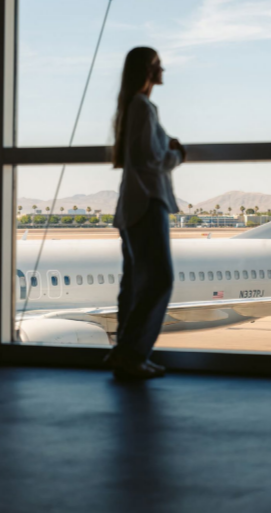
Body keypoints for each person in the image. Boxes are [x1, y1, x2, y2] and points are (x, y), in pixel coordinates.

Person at [106, 46, 185, 380]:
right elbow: (150, 159)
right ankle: (132, 354)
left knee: (135, 284)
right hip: (148, 202)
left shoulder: (131, 107)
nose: (163, 70)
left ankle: (127, 353)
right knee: (159, 280)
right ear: (147, 71)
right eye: (158, 65)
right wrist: (178, 154)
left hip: (133, 202)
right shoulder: (142, 106)